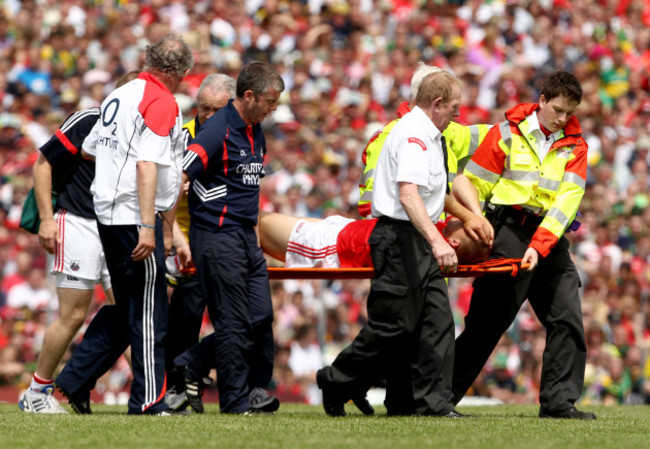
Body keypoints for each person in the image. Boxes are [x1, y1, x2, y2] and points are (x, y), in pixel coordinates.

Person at [54, 35, 193, 416]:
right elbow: (146, 165)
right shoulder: (161, 100)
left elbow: (90, 149)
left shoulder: (121, 93)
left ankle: (76, 380)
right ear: (180, 71)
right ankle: (149, 401)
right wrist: (150, 225)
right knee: (150, 311)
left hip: (108, 213)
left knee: (130, 305)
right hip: (134, 217)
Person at [316, 70, 465, 417]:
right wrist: (438, 241)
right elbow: (408, 194)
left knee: (438, 323)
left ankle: (432, 404)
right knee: (394, 326)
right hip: (402, 238)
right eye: (454, 107)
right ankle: (336, 379)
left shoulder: (428, 133)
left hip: (417, 237)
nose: (458, 115)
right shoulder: (414, 134)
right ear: (438, 103)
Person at [454, 70, 596, 420]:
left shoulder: (576, 145)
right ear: (542, 101)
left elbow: (567, 202)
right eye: (557, 110)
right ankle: (436, 397)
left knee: (568, 317)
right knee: (488, 322)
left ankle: (559, 403)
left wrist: (541, 245)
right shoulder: (505, 134)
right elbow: (471, 184)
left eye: (569, 113)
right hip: (507, 230)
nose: (563, 119)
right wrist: (477, 219)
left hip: (549, 237)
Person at [18, 71, 140, 414]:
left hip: (115, 228)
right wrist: (45, 219)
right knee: (72, 315)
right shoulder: (90, 119)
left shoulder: (142, 130)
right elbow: (43, 165)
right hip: (79, 224)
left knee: (129, 314)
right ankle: (36, 392)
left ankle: (148, 392)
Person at [182, 61, 284, 414]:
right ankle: (236, 401)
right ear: (250, 95)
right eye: (271, 102)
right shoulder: (217, 128)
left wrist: (255, 238)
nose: (274, 109)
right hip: (216, 235)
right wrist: (168, 232)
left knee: (260, 317)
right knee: (233, 322)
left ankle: (193, 361)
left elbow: (250, 190)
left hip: (245, 237)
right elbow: (181, 174)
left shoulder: (255, 129)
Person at [164, 73, 236, 414]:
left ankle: (237, 386)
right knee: (186, 317)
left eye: (215, 109)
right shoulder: (182, 136)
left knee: (234, 316)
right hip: (186, 241)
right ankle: (176, 385)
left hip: (222, 239)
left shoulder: (238, 136)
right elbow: (165, 188)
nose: (207, 114)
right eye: (203, 107)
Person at [358, 61, 491, 219]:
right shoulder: (388, 137)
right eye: (452, 105)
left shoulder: (445, 131)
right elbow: (373, 203)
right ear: (434, 100)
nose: (457, 114)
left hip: (432, 232)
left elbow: (490, 134)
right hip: (401, 234)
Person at [259, 211, 491, 269]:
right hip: (345, 228)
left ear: (454, 244)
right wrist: (474, 215)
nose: (462, 220)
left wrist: (470, 216)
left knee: (255, 222)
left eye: (465, 228)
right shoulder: (442, 230)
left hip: (326, 246)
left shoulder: (432, 246)